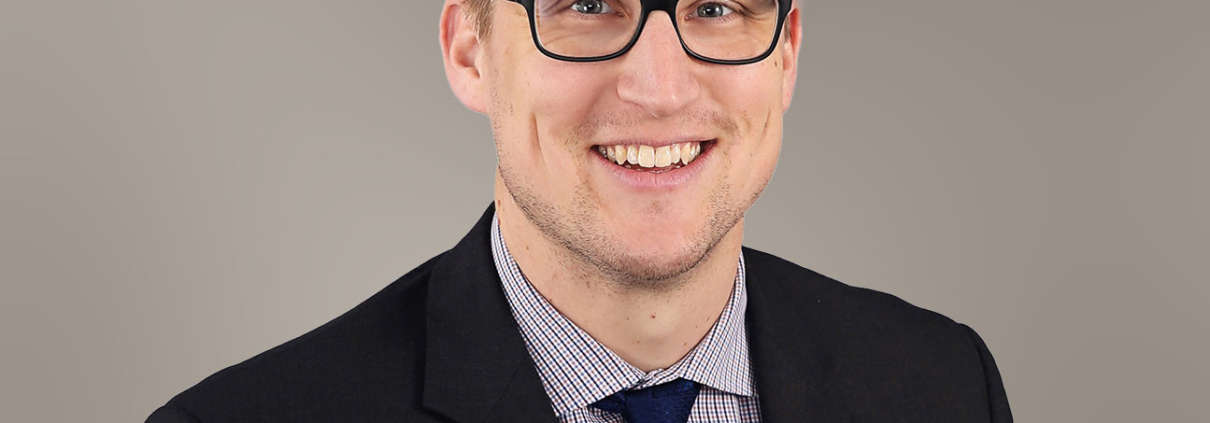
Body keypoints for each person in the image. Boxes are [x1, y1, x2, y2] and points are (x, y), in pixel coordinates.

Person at [147, 0, 1012, 421]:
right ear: (469, 50)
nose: (660, 87)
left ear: (785, 55)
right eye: (590, 5)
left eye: (716, 7)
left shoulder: (942, 390)